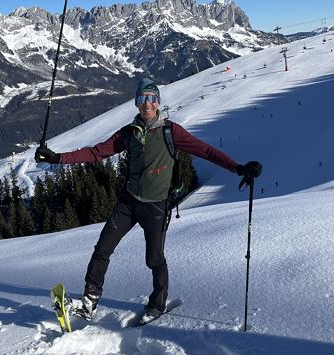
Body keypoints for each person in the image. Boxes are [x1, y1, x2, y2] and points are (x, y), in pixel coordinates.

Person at [35, 78, 261, 323]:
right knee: (102, 249)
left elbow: (204, 150)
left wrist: (237, 168)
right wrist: (57, 158)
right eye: (143, 98)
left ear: (158, 103)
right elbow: (96, 152)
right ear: (136, 103)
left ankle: (157, 304)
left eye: (152, 98)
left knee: (153, 259)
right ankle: (89, 302)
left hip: (156, 205)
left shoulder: (171, 131)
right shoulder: (129, 133)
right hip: (128, 202)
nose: (147, 103)